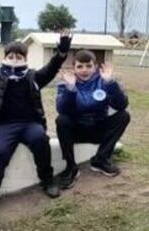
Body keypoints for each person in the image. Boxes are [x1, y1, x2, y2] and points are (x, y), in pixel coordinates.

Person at [0, 31, 72, 224]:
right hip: (4, 125)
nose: (14, 59)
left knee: (41, 139)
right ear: (5, 57)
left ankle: (47, 179)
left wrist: (62, 52)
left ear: (25, 58)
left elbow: (51, 68)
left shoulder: (33, 77)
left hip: (30, 124)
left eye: (18, 56)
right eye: (10, 56)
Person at [55, 50, 130, 188]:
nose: (84, 70)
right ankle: (71, 167)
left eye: (89, 66)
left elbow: (121, 105)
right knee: (62, 120)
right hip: (77, 130)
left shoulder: (104, 81)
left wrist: (110, 82)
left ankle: (100, 160)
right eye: (80, 66)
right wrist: (70, 89)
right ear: (74, 68)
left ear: (95, 67)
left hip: (98, 128)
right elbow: (62, 110)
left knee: (124, 116)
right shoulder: (66, 83)